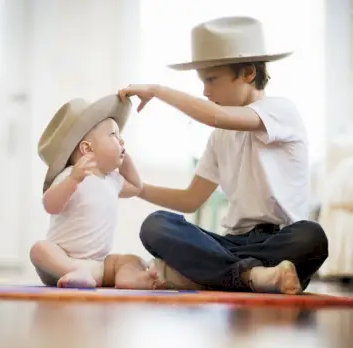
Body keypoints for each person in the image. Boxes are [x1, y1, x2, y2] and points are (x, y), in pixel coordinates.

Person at [117, 16, 329, 294]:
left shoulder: (281, 111)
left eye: (212, 80)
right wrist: (140, 189)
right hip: (232, 242)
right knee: (156, 225)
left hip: (279, 241)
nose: (205, 91)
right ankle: (255, 277)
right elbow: (190, 200)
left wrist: (159, 91)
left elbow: (216, 116)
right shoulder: (219, 138)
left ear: (248, 73)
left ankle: (211, 273)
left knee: (311, 236)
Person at [30, 94, 164, 290]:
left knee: (130, 260)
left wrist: (124, 157)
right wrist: (73, 180)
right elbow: (50, 206)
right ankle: (76, 274)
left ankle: (130, 279)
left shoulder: (112, 180)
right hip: (62, 264)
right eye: (114, 135)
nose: (121, 140)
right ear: (87, 148)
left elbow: (136, 187)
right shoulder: (71, 176)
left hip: (98, 266)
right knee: (40, 249)